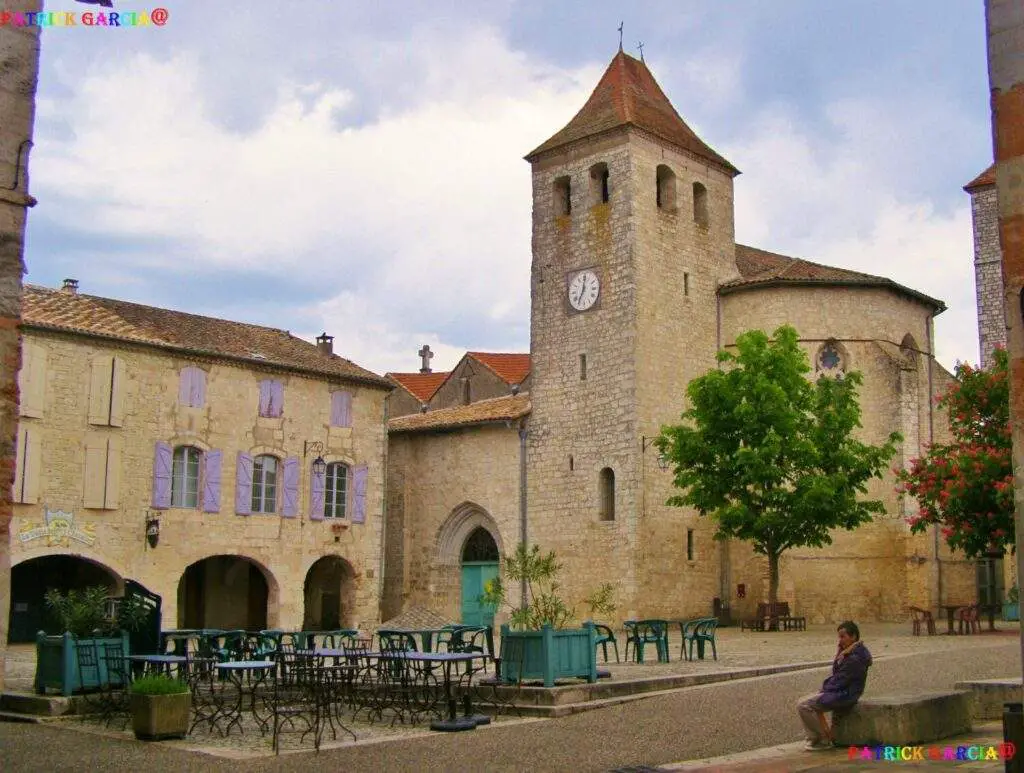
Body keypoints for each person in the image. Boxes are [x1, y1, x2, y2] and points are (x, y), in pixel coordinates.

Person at [796, 620, 872, 751]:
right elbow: (838, 675)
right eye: (839, 637)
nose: (840, 640)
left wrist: (824, 690)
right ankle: (819, 736)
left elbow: (841, 679)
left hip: (846, 694)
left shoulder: (854, 658)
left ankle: (820, 739)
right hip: (843, 690)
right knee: (805, 701)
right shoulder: (849, 652)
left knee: (804, 705)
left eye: (843, 636)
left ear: (853, 636)